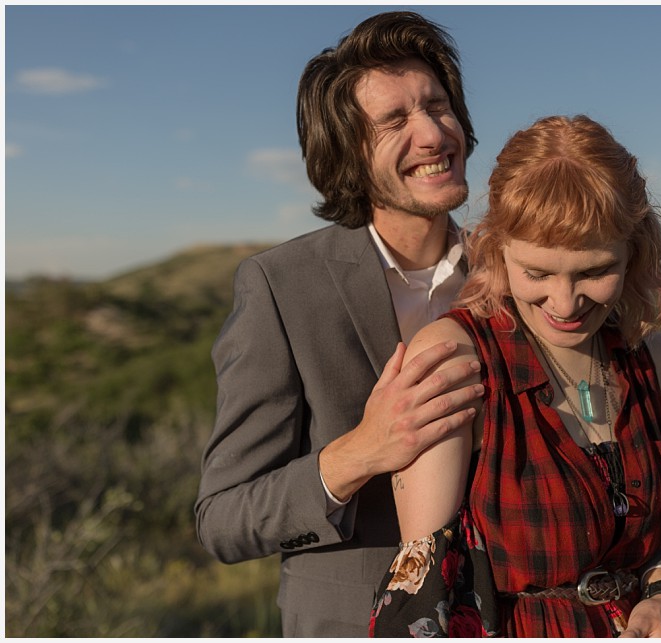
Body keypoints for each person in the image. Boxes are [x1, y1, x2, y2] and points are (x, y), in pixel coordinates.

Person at [370, 115, 661, 637]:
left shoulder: (654, 358)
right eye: (537, 273)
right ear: (496, 250)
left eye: (595, 271)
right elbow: (426, 593)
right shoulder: (457, 358)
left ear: (635, 252)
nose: (564, 303)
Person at [194, 12, 486, 637]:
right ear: (348, 154)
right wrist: (361, 451)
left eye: (438, 105)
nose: (434, 133)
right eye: (395, 121)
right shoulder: (281, 285)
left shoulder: (519, 275)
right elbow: (222, 520)